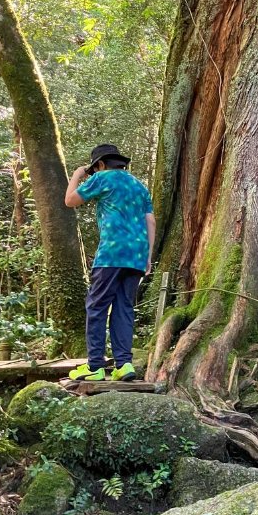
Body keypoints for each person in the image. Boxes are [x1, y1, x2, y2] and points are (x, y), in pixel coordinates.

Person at [64, 143, 156, 382]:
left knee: (96, 307)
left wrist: (77, 174)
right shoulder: (139, 186)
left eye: (95, 168)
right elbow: (151, 222)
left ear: (101, 164)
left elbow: (70, 200)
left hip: (111, 255)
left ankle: (95, 366)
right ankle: (124, 365)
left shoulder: (103, 178)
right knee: (124, 308)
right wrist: (148, 256)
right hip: (136, 256)